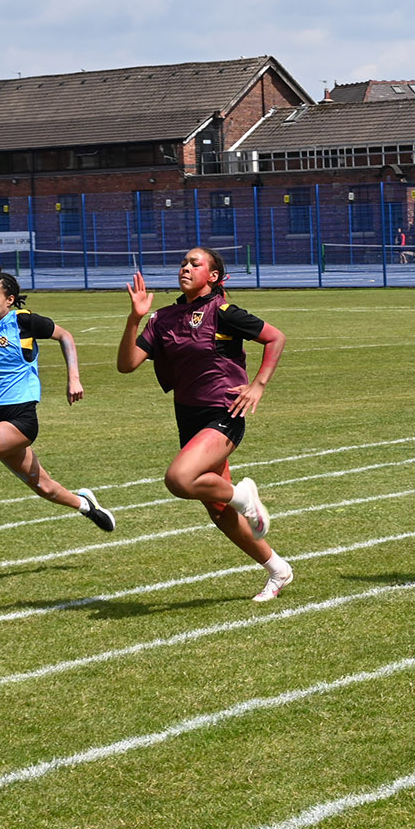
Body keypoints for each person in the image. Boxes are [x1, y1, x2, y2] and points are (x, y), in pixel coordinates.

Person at [117, 248, 293, 602]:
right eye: (183, 263)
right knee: (217, 511)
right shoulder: (163, 318)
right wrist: (135, 318)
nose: (186, 267)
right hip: (188, 417)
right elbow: (126, 364)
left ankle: (244, 495)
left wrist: (257, 384)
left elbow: (276, 338)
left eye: (195, 264)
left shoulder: (223, 312)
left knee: (179, 479)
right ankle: (278, 569)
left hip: (224, 413)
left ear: (212, 277)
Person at [0, 271, 114, 560]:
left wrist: (74, 378)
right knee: (44, 486)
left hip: (20, 420)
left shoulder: (23, 321)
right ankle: (85, 505)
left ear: (10, 299)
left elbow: (65, 336)